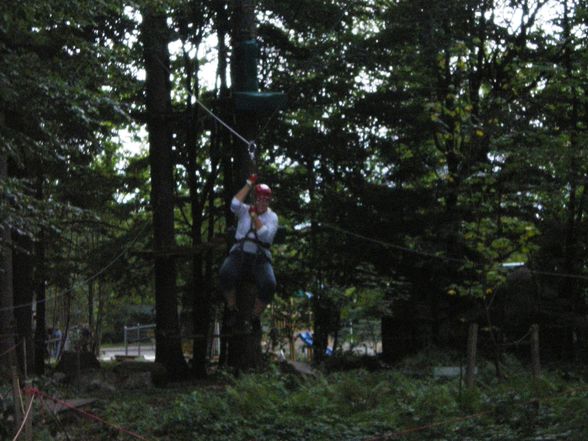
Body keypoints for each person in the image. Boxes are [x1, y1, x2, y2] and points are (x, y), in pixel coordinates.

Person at [219, 174, 279, 332]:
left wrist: (254, 217)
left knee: (269, 284)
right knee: (225, 274)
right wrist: (248, 184)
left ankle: (254, 316)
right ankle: (232, 308)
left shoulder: (272, 217)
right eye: (259, 199)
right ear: (254, 199)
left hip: (260, 257)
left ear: (269, 201)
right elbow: (233, 204)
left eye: (265, 200)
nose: (262, 202)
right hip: (239, 253)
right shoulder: (244, 209)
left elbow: (265, 235)